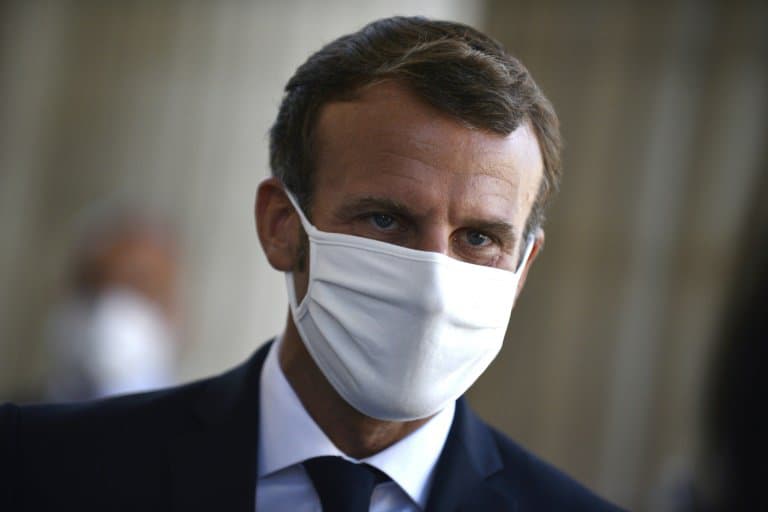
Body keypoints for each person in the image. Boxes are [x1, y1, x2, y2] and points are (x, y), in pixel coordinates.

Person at [0, 16, 624, 511]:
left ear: (523, 269)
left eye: (481, 238)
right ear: (281, 227)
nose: (433, 281)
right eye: (385, 219)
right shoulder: (42, 468)